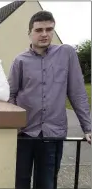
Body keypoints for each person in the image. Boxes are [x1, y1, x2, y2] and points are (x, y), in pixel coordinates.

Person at [8, 10, 91, 189]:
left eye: (49, 29)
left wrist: (88, 127)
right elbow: (11, 95)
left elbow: (77, 92)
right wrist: (15, 125)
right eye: (39, 30)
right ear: (29, 33)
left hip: (52, 135)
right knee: (19, 182)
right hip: (24, 134)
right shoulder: (19, 61)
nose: (44, 34)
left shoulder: (66, 54)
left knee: (46, 184)